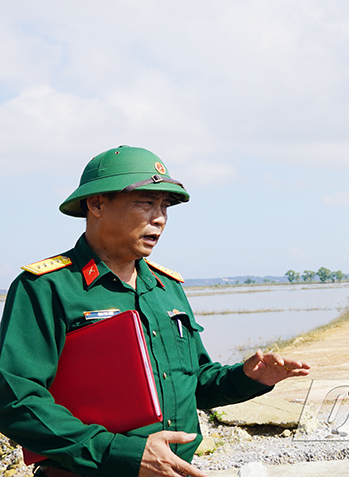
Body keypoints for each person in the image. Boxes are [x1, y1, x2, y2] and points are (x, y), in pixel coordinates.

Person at [0, 146, 311, 477]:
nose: (160, 217)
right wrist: (123, 453)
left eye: (165, 205)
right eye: (145, 203)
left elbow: (193, 383)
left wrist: (247, 378)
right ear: (97, 204)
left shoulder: (167, 288)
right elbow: (16, 401)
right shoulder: (47, 287)